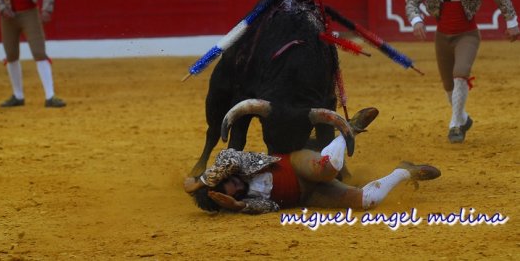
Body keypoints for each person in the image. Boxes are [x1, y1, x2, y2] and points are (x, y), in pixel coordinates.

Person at [184, 108, 441, 214]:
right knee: (365, 202)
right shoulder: (245, 202)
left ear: (221, 179)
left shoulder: (231, 163)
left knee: (328, 170)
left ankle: (348, 130)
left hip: (296, 164)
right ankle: (405, 171)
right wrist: (237, 205)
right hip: (308, 196)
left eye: (224, 188)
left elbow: (230, 157)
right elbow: (271, 207)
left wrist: (201, 182)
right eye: (225, 195)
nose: (232, 189)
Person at [405, 0, 518, 143]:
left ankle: (455, 125)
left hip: (468, 34)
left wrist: (511, 21)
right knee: (448, 86)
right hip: (442, 37)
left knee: (460, 73)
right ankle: (464, 118)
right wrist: (416, 19)